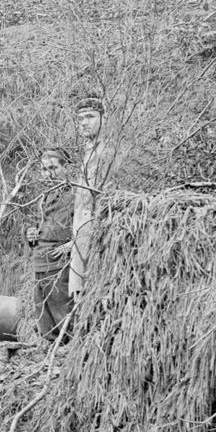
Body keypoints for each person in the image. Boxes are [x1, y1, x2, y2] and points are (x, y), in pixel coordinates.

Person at [69, 97, 119, 298]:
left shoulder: (109, 150)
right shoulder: (87, 152)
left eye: (90, 117)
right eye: (80, 118)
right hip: (81, 231)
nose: (83, 122)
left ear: (103, 119)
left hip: (100, 231)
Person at [26, 147, 76, 343]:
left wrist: (74, 243)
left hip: (60, 263)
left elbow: (90, 224)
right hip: (40, 261)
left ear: (66, 169)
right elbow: (39, 226)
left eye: (53, 168)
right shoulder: (44, 196)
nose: (48, 174)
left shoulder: (77, 194)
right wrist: (31, 235)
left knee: (63, 313)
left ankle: (66, 355)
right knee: (44, 316)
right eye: (44, 169)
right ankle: (50, 356)